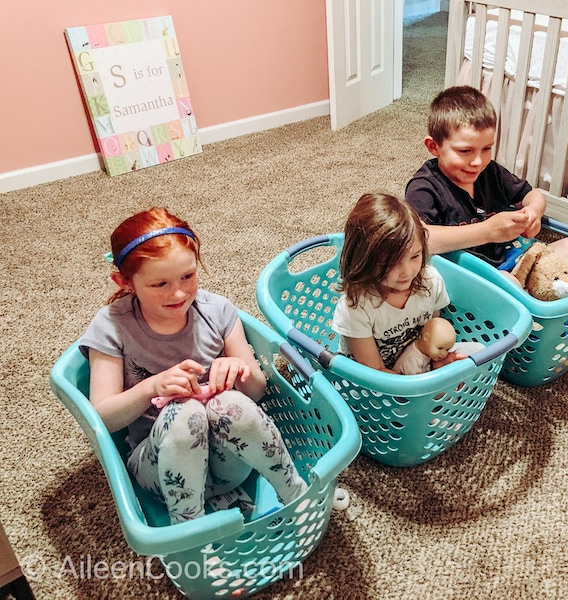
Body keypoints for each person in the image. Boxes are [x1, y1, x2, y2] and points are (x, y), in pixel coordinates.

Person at [80, 207, 307, 524]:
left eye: (188, 276)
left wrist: (240, 371)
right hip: (159, 471)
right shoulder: (112, 325)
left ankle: (296, 495)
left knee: (230, 403)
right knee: (185, 413)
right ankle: (190, 529)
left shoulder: (217, 311)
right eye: (159, 284)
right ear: (125, 281)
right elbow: (101, 418)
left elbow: (256, 392)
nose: (178, 293)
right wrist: (151, 387)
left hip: (230, 464)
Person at [405, 85, 568, 274]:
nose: (477, 161)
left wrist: (534, 211)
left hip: (516, 256)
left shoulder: (490, 171)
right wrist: (487, 231)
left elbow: (531, 195)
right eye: (465, 151)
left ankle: (537, 291)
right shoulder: (423, 187)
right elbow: (421, 239)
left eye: (486, 149)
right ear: (433, 146)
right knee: (511, 284)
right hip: (474, 275)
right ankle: (530, 294)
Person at [331, 193, 483, 374]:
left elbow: (432, 335)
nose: (407, 271)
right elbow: (375, 371)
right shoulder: (356, 306)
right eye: (391, 262)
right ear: (364, 260)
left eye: (415, 256)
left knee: (479, 352)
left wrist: (438, 361)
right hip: (377, 378)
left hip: (417, 358)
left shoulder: (431, 281)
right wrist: (424, 385)